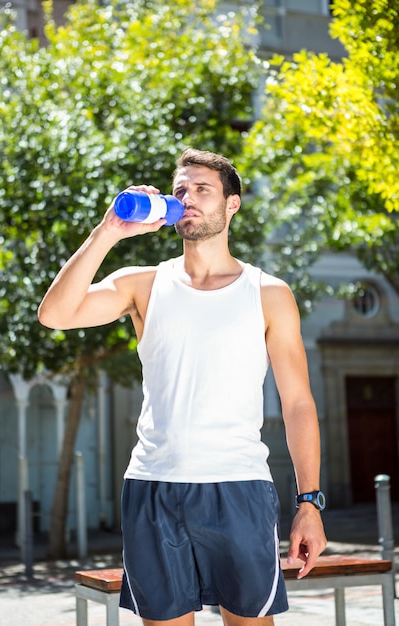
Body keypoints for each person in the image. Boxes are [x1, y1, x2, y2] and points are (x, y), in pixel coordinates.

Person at [38, 148, 327, 626]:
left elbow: (298, 403)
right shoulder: (143, 284)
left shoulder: (268, 293)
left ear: (231, 204)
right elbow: (55, 314)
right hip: (154, 486)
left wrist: (309, 503)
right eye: (180, 191)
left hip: (238, 486)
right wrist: (107, 231)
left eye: (202, 189)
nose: (187, 199)